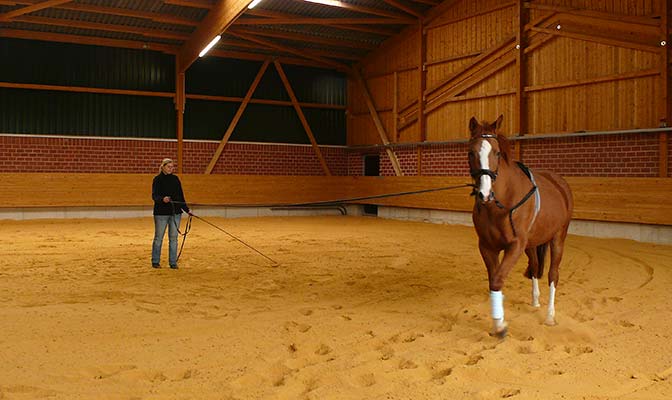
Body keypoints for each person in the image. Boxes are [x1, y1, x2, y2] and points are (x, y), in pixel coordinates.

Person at [151, 158, 192, 269]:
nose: (171, 169)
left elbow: (180, 196)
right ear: (163, 167)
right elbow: (154, 196)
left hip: (176, 213)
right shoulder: (157, 180)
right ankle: (155, 261)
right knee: (158, 237)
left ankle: (173, 262)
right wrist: (162, 199)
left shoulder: (176, 179)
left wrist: (187, 209)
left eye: (172, 167)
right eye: (168, 166)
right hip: (161, 213)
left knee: (173, 238)